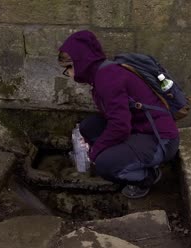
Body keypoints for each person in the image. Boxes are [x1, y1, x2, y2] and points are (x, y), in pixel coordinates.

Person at [58, 30, 179, 199]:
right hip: (139, 128)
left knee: (104, 165)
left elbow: (120, 126)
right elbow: (117, 118)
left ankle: (146, 177)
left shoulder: (107, 79)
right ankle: (124, 159)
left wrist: (95, 153)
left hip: (160, 139)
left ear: (80, 62)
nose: (69, 74)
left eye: (68, 68)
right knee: (89, 127)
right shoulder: (102, 73)